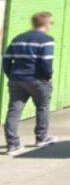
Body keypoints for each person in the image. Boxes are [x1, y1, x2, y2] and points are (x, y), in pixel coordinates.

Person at [3, 12, 57, 153]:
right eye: (51, 23)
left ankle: (12, 144)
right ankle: (41, 138)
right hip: (38, 80)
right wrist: (48, 76)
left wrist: (11, 75)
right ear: (46, 24)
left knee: (14, 110)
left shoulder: (18, 39)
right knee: (42, 107)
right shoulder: (47, 40)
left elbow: (6, 59)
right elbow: (46, 61)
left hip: (17, 79)